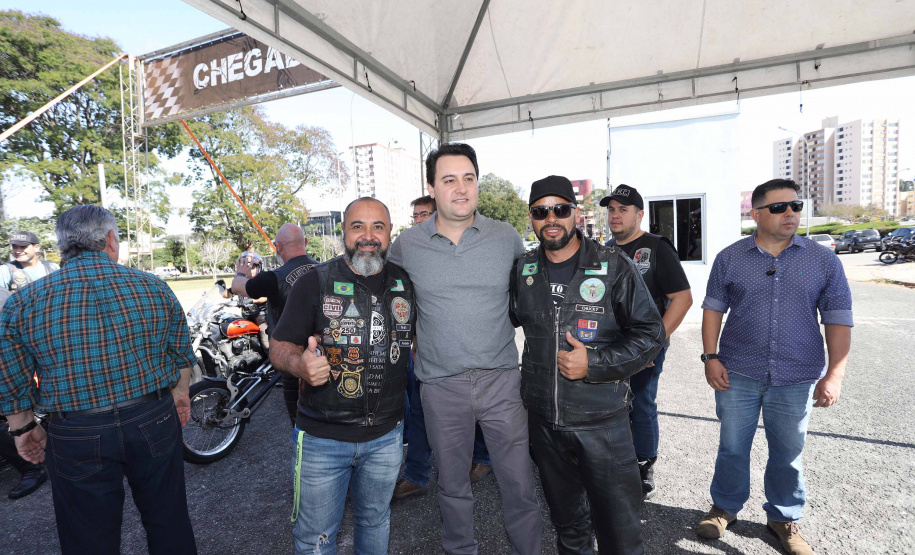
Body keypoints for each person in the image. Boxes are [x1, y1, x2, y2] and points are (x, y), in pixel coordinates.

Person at [0, 205, 197, 554]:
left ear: (62, 246)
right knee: (169, 521)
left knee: (88, 539)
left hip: (76, 430)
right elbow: (180, 353)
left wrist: (22, 429)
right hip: (152, 418)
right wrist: (181, 395)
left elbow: (11, 377)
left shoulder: (23, 303)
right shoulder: (153, 286)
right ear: (110, 239)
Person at [387, 143, 542, 555]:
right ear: (432, 187)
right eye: (449, 179)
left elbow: (531, 294)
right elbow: (387, 300)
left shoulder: (505, 237)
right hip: (439, 385)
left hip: (502, 382)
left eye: (468, 178)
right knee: (452, 487)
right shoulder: (407, 245)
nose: (461, 188)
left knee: (519, 483)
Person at [510, 176, 665, 554]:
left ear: (575, 214)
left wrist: (593, 363)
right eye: (540, 211)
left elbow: (652, 334)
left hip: (603, 425)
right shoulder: (523, 270)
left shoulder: (614, 266)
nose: (551, 218)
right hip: (546, 426)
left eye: (560, 209)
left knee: (620, 532)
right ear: (531, 218)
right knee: (569, 527)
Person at [697, 179, 852, 555]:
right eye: (780, 207)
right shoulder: (730, 258)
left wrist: (835, 374)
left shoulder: (823, 260)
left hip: (796, 375)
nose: (791, 214)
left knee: (788, 450)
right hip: (738, 371)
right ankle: (724, 508)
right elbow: (713, 310)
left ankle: (782, 517)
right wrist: (710, 356)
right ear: (756, 214)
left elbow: (838, 319)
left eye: (796, 206)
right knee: (732, 446)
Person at [270, 197, 415, 555]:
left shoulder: (405, 284)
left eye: (377, 227)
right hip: (322, 438)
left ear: (390, 233)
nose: (368, 236)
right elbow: (279, 347)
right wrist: (300, 365)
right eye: (358, 226)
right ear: (344, 233)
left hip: (386, 436)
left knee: (375, 522)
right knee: (315, 539)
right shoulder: (314, 282)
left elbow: (418, 342)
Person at [393, 195, 492, 500]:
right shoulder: (408, 249)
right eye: (415, 216)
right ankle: (418, 475)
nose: (419, 221)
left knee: (474, 409)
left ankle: (483, 456)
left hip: (467, 354)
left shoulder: (460, 248)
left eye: (424, 214)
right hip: (424, 353)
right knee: (421, 411)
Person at [602, 184, 693, 499]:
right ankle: (616, 461)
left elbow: (682, 298)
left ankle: (644, 464)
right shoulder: (605, 251)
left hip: (644, 348)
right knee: (610, 405)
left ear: (639, 215)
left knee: (640, 404)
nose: (615, 215)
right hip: (609, 347)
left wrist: (653, 343)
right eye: (611, 210)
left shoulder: (656, 247)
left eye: (622, 210)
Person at [232, 224, 318, 424]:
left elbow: (239, 287)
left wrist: (240, 273)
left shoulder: (273, 278)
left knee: (299, 420)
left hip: (290, 358)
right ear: (305, 242)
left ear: (278, 247)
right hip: (323, 355)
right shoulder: (325, 269)